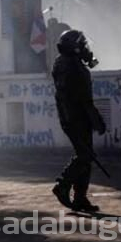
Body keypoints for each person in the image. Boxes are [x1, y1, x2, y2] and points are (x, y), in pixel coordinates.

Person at [51, 30, 106, 212]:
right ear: (74, 48)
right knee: (84, 155)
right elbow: (82, 100)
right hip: (76, 119)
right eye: (82, 46)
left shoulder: (63, 63)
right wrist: (96, 120)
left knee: (86, 156)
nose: (85, 49)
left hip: (72, 118)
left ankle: (80, 198)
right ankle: (63, 184)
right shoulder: (73, 68)